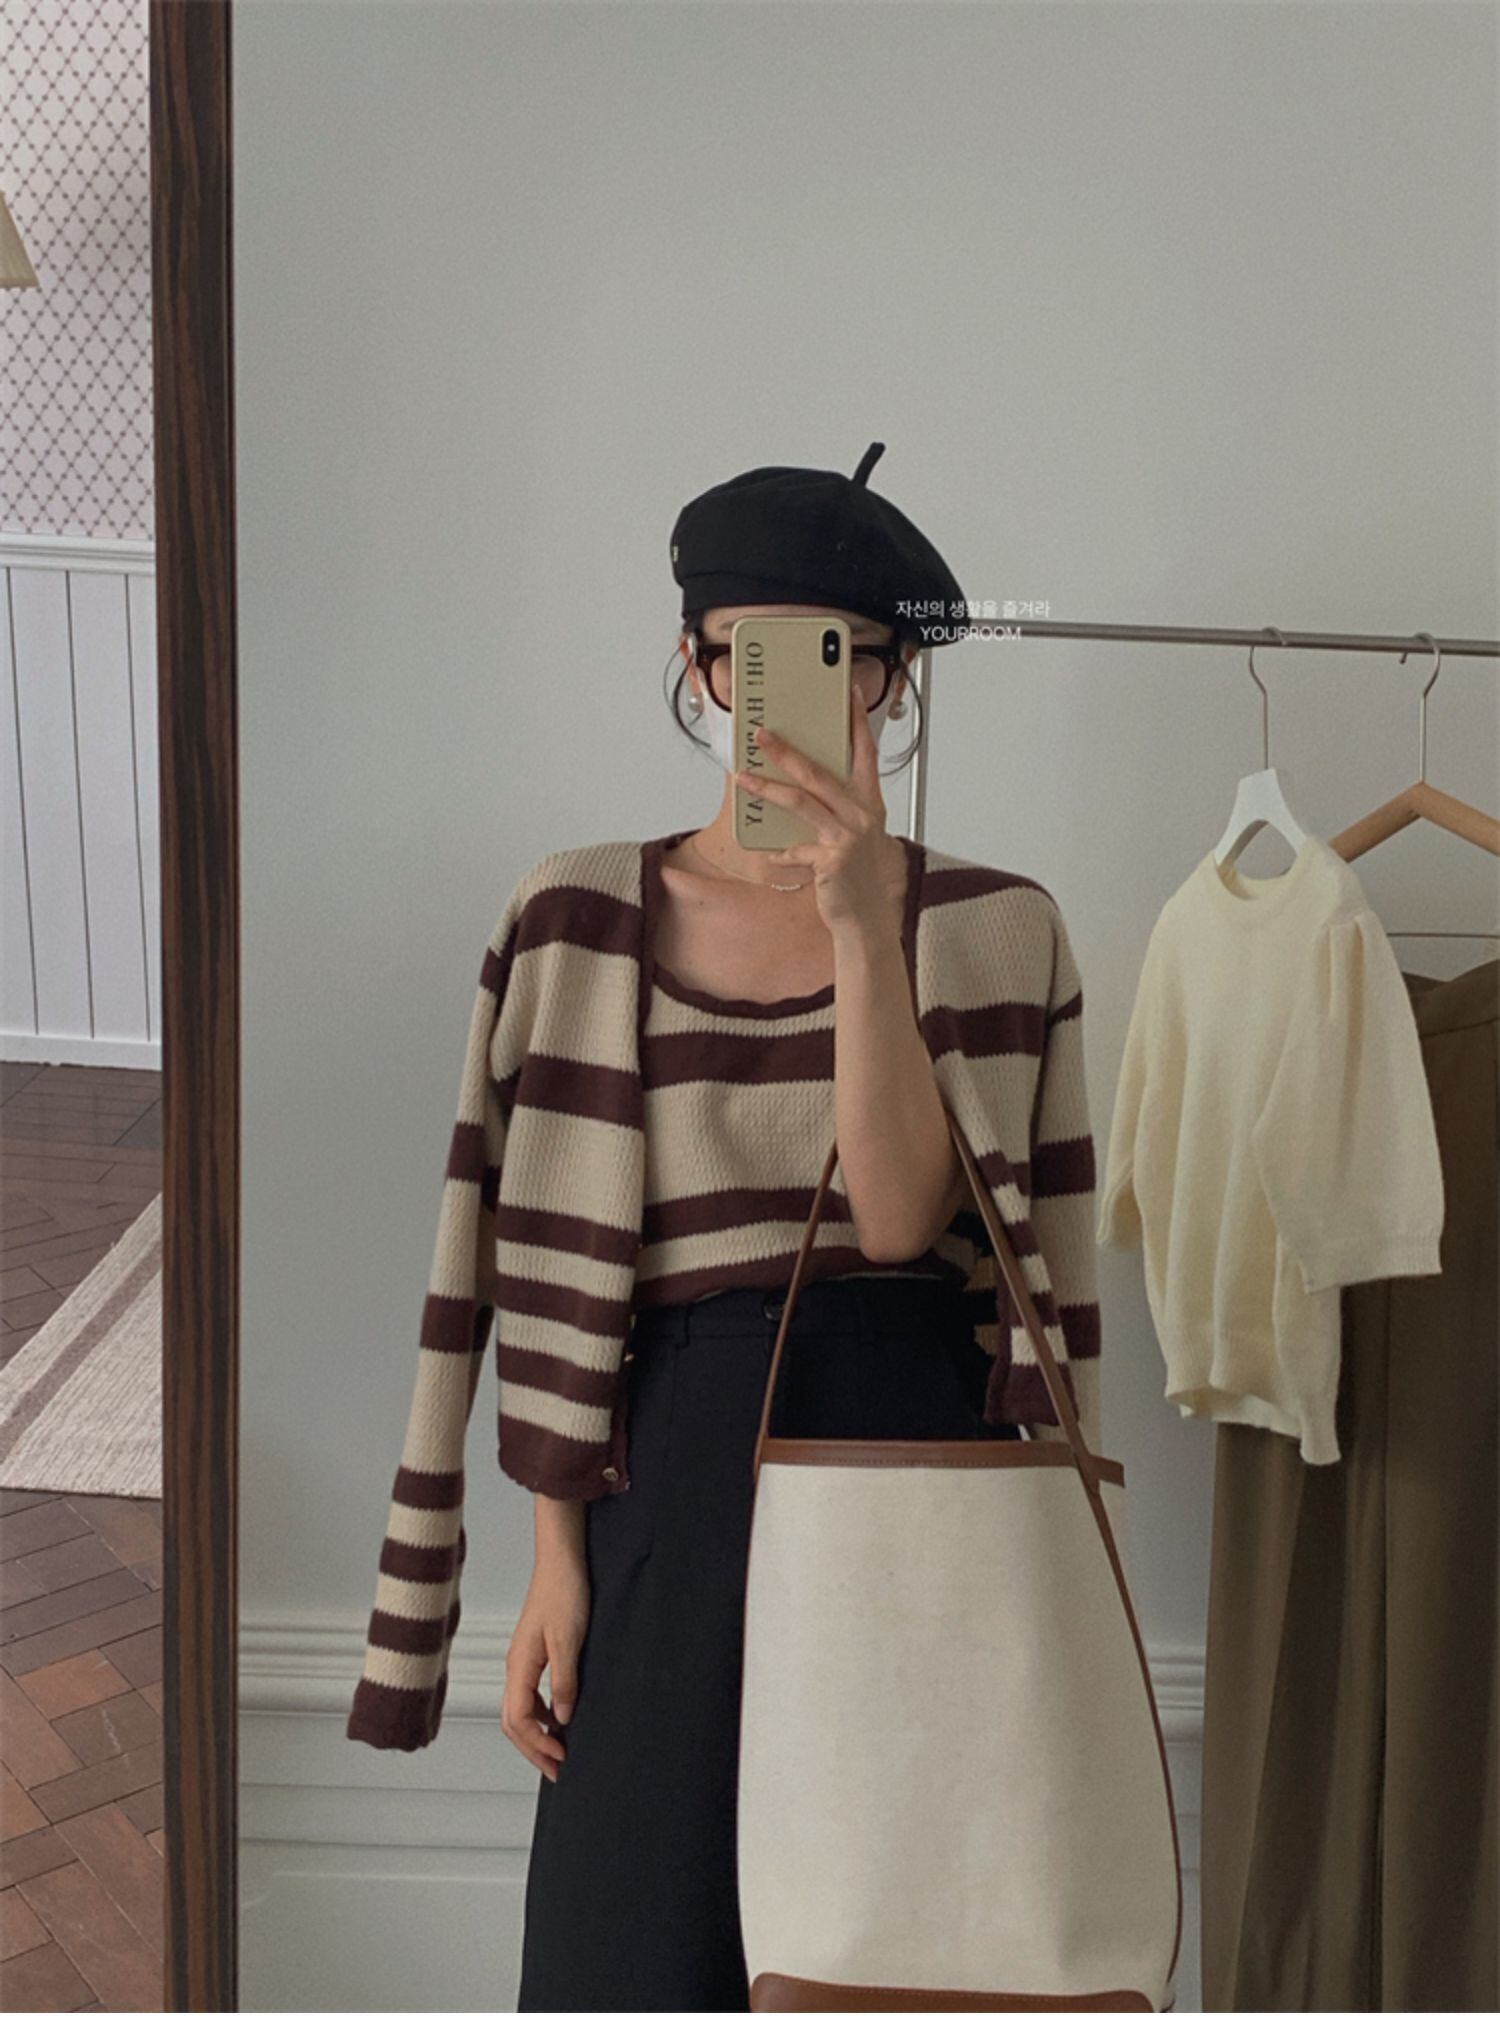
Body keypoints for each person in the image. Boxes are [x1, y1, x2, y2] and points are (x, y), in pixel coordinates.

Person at [505, 446, 1098, 2010]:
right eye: (746, 655)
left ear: (892, 683)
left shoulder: (996, 927)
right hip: (669, 1465)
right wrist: (554, 1559)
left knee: (889, 1956)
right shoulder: (577, 915)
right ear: (698, 667)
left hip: (911, 1460)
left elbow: (897, 1219)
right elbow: (557, 1278)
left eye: (844, 659)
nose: (788, 698)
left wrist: (859, 925)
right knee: (629, 1954)